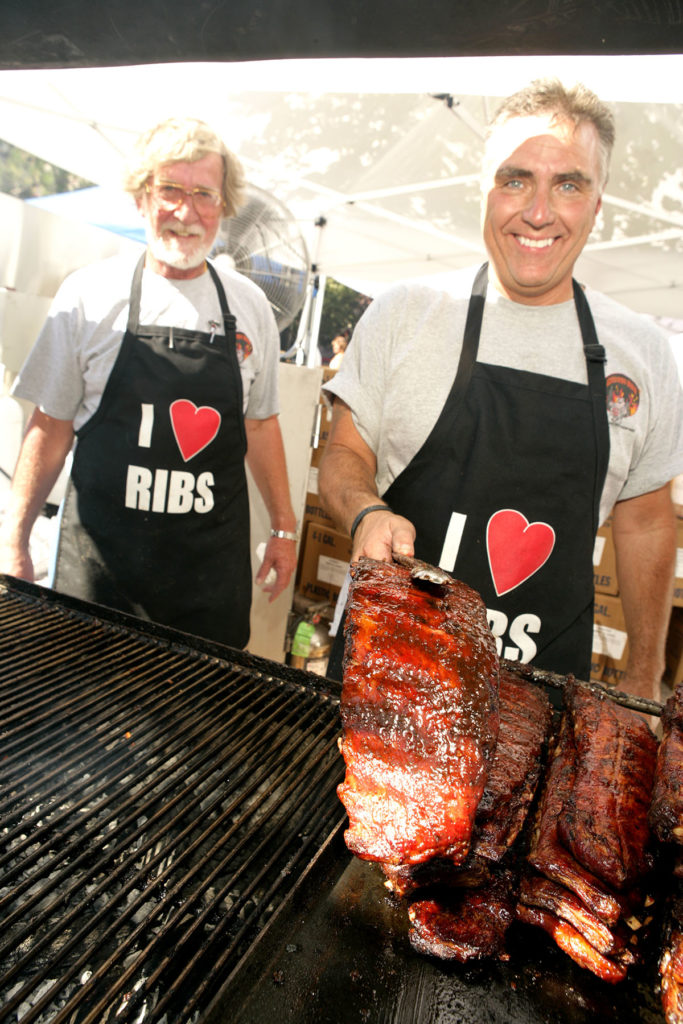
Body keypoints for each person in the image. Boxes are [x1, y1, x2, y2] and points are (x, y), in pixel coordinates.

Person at [318, 79, 683, 704]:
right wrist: (366, 511)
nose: (538, 211)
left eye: (569, 184)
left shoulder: (642, 353)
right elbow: (343, 457)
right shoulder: (406, 314)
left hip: (538, 701)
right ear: (485, 190)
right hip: (384, 681)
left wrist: (644, 675)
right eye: (515, 179)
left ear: (597, 205)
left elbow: (646, 520)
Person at [0, 117, 298, 649]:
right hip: (98, 583)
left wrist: (283, 527)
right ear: (142, 197)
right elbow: (49, 427)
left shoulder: (250, 307)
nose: (186, 212)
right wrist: (15, 541)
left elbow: (260, 424)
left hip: (207, 588)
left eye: (204, 194)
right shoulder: (88, 296)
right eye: (170, 191)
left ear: (224, 206)